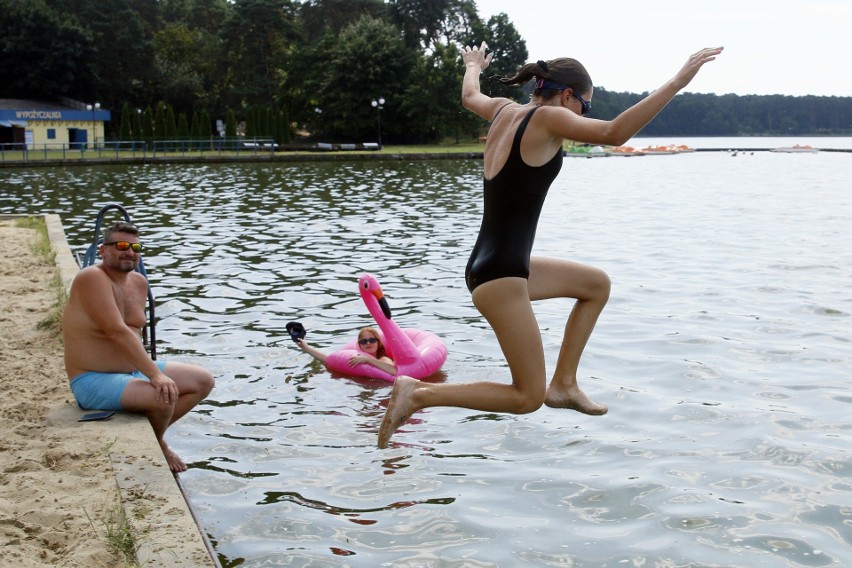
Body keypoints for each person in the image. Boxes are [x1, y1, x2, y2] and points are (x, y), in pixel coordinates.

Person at [378, 42, 723, 448]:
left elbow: (470, 95)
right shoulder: (550, 118)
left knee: (595, 285)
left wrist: (472, 65)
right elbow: (615, 133)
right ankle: (419, 394)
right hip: (501, 276)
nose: (582, 116)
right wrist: (679, 80)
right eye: (585, 107)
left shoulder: (504, 110)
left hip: (498, 265)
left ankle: (565, 383)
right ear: (566, 96)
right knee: (526, 397)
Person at [63, 221, 215, 472]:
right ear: (102, 250)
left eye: (135, 247)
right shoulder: (91, 277)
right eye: (121, 245)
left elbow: (133, 331)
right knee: (163, 396)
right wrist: (155, 375)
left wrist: (149, 372)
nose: (129, 252)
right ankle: (160, 445)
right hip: (93, 379)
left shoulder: (138, 282)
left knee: (203, 380)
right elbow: (116, 331)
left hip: (131, 372)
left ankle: (154, 434)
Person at [297, 326, 397, 376]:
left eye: (372, 340)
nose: (368, 343)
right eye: (364, 341)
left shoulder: (383, 358)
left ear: (378, 342)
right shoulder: (355, 358)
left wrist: (367, 360)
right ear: (359, 345)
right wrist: (306, 348)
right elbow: (329, 359)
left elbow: (393, 371)